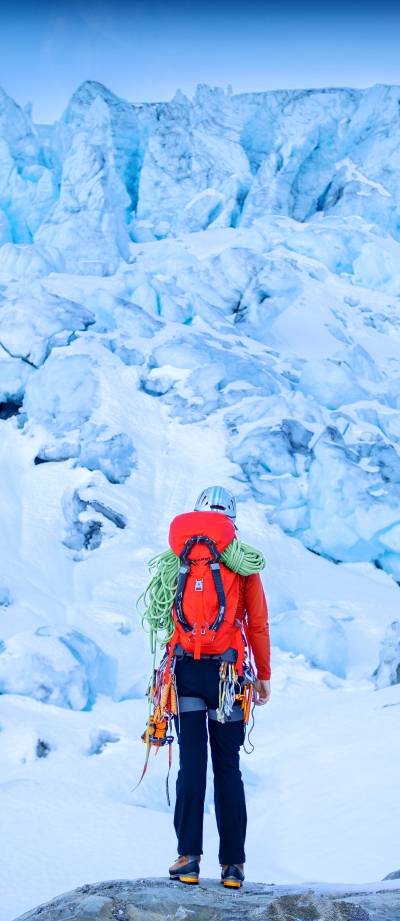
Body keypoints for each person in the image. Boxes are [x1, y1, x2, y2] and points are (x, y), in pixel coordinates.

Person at [167, 486, 271, 888]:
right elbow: (257, 623)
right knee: (227, 767)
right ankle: (233, 866)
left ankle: (188, 858)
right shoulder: (241, 560)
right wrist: (263, 674)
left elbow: (165, 612)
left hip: (185, 671)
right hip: (227, 675)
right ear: (231, 519)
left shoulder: (178, 554)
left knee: (191, 763)